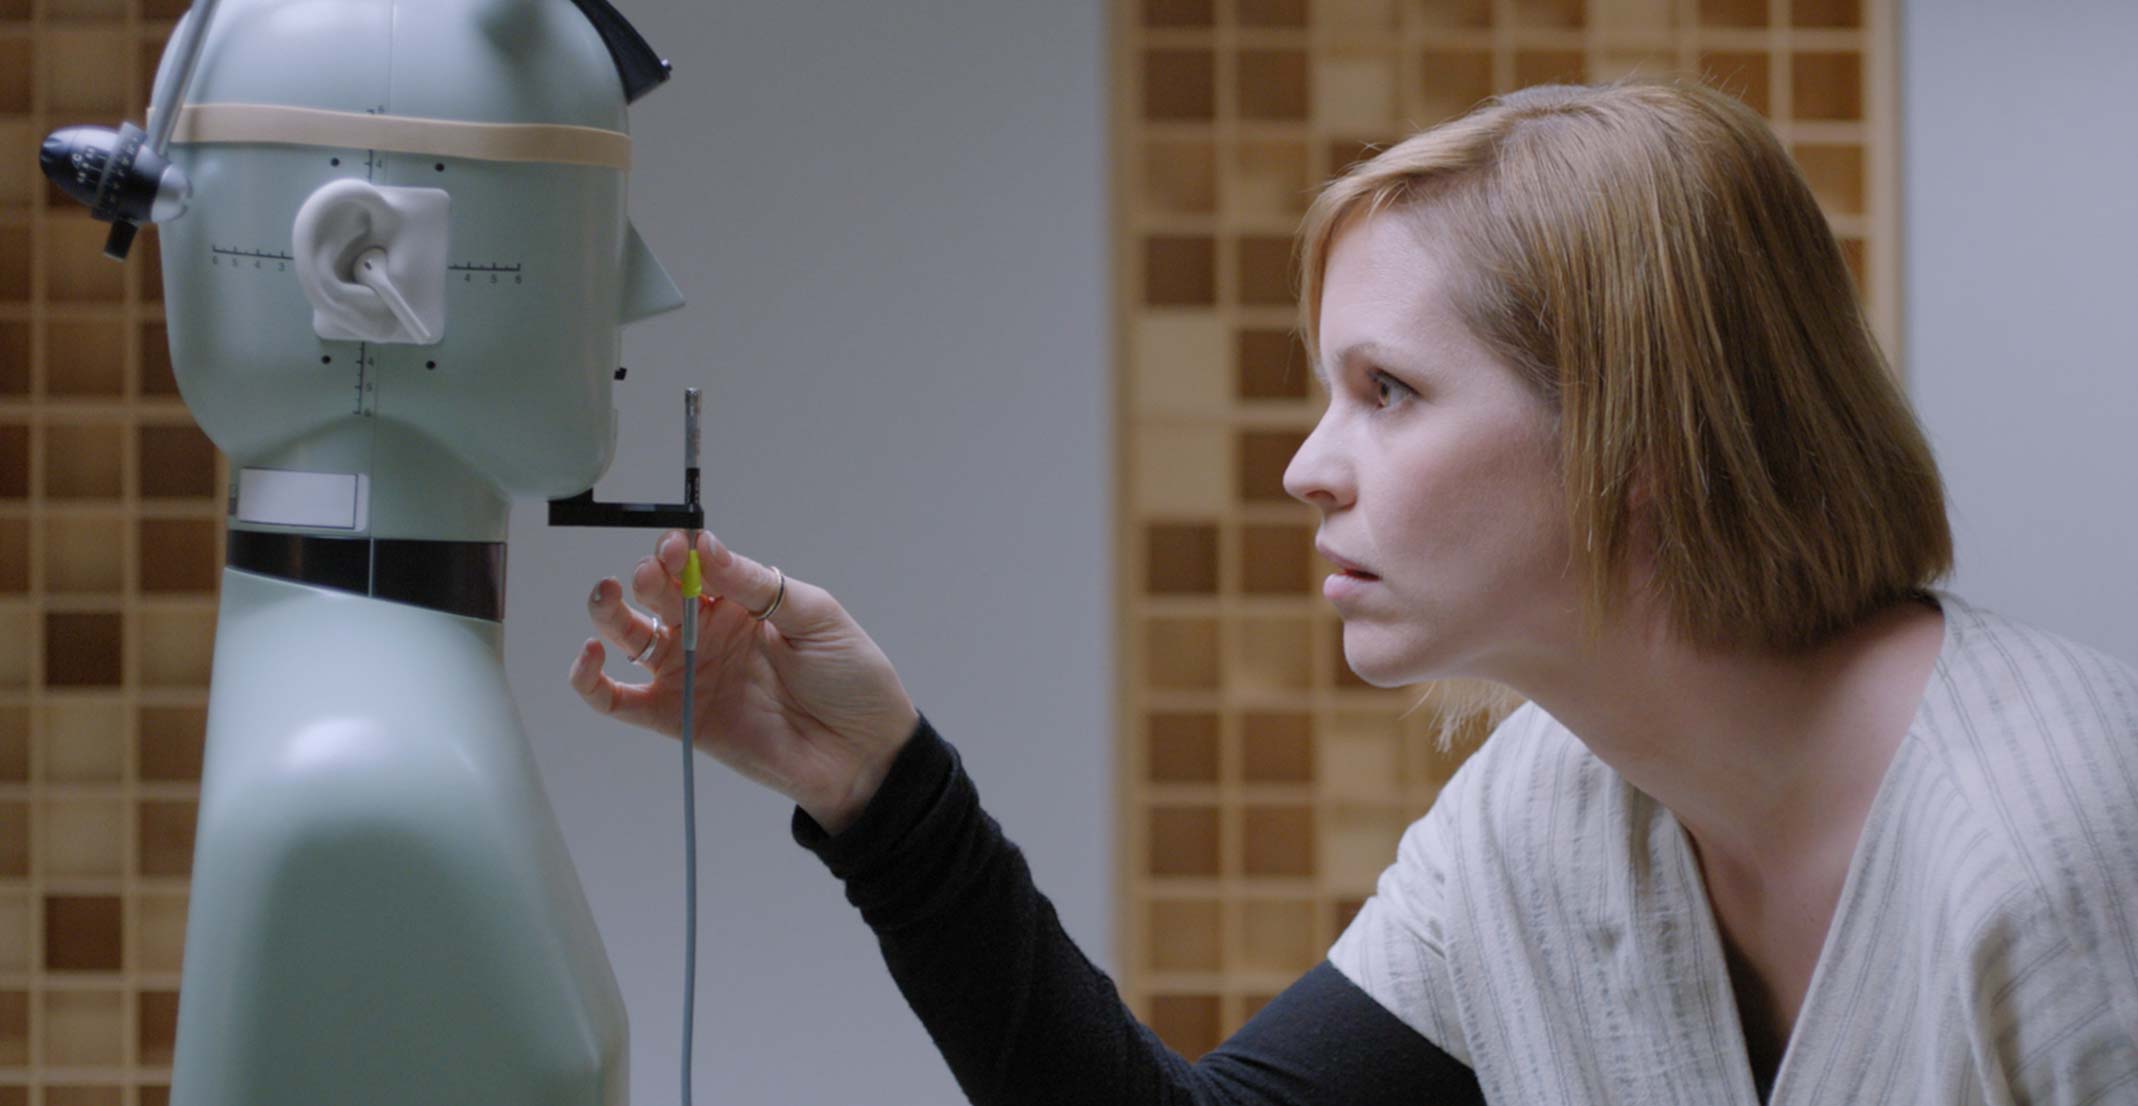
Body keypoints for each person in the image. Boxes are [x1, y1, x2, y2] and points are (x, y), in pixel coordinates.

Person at [566, 80, 2138, 1105]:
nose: (1306, 468)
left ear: (1637, 432)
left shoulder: (2046, 848)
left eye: (1384, 389)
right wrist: (880, 788)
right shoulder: (1547, 812)